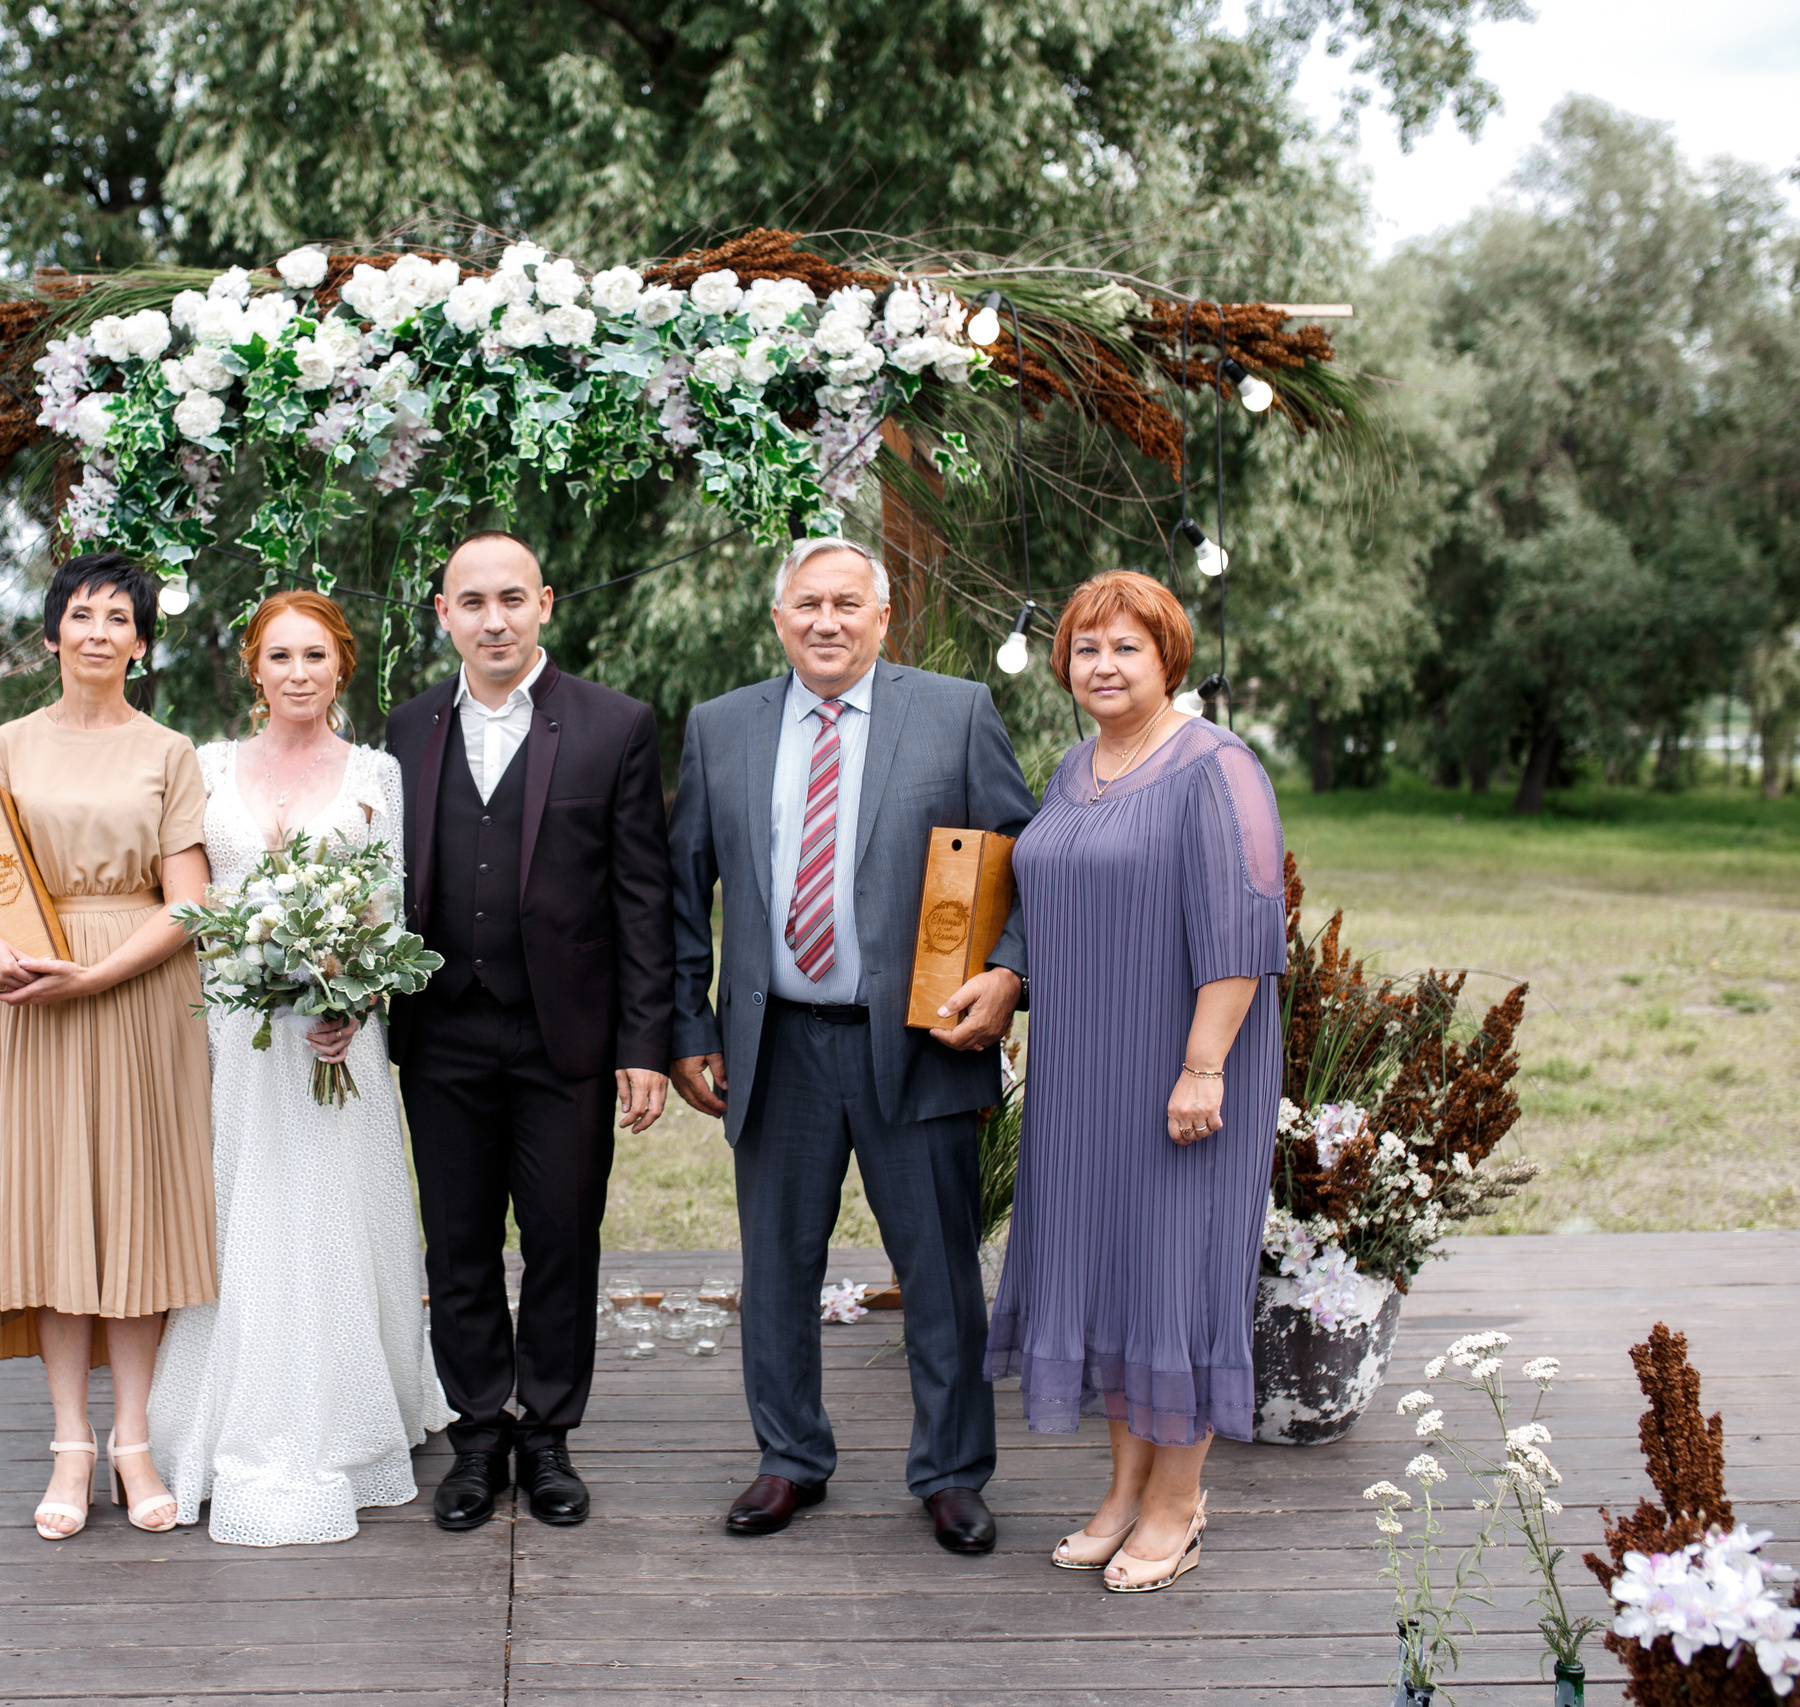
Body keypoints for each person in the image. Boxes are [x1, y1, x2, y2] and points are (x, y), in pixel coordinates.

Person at [666, 537, 1034, 1554]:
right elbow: (679, 887)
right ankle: (789, 1460)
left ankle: (952, 1474)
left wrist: (1007, 974)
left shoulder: (953, 714)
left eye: (845, 604)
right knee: (776, 1267)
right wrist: (690, 1024)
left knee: (939, 1270)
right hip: (774, 1046)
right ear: (778, 619)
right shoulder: (720, 726)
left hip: (918, 1044)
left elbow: (1026, 859)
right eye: (804, 605)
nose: (824, 622)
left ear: (883, 618)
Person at [985, 569, 1286, 1593]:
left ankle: (1175, 1505)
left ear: (1168, 660)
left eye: (1125, 648)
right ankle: (1121, 1494)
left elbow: (1245, 932)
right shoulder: (1073, 770)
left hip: (1183, 1073)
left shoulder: (1216, 768)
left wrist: (1202, 1067)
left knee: (1176, 1280)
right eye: (1084, 648)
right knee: (1110, 1275)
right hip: (1082, 1076)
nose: (1101, 665)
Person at [146, 590, 452, 1545]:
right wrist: (254, 963)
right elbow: (190, 899)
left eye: (315, 656)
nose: (297, 673)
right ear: (253, 666)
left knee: (331, 1205)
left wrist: (352, 997)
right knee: (243, 1200)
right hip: (235, 1032)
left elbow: (386, 909)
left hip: (334, 1032)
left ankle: (351, 1406)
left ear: (341, 666)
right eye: (279, 656)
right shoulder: (205, 767)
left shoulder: (378, 773)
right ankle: (230, 1403)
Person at [383, 530, 673, 1532]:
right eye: (472, 602)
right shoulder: (404, 729)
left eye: (511, 598)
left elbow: (644, 897)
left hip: (569, 1040)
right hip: (442, 1035)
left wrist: (644, 1043)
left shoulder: (614, 726)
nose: (493, 619)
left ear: (544, 603)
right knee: (456, 1243)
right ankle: (475, 1435)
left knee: (559, 1238)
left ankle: (544, 1433)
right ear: (444, 615)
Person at [0, 552, 214, 1539]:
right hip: (33, 990)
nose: (99, 630)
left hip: (139, 991)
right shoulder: (8, 744)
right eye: (81, 613)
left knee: (136, 1213)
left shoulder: (169, 752)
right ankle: (70, 1443)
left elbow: (189, 904)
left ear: (141, 641)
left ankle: (132, 1440)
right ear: (54, 633)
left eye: (120, 617)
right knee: (61, 1212)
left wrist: (97, 978)